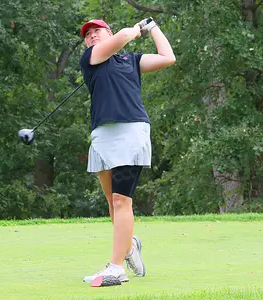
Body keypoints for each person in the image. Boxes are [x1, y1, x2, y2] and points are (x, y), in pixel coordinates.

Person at [79, 18, 176, 284]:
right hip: (102, 134)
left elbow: (168, 57)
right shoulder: (91, 58)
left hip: (131, 130)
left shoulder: (131, 60)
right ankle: (130, 246)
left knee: (122, 200)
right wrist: (134, 31)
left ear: (107, 32)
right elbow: (122, 36)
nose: (92, 37)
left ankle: (116, 267)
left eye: (97, 31)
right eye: (88, 35)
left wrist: (152, 27)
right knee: (112, 202)